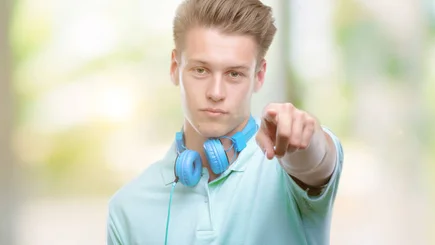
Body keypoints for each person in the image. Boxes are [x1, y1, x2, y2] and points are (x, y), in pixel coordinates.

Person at [106, 0, 344, 244]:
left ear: (258, 76)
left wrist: (305, 138)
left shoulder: (285, 167)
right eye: (201, 70)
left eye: (234, 74)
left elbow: (316, 162)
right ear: (175, 67)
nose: (216, 92)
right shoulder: (127, 208)